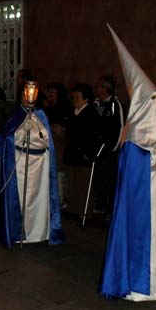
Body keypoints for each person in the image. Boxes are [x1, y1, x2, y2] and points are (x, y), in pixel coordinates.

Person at [99, 26, 156, 301]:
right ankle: (144, 284)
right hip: (147, 199)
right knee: (150, 238)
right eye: (151, 99)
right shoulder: (134, 132)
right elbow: (139, 164)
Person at [0, 90, 64, 248]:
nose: (28, 98)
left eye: (31, 94)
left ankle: (40, 233)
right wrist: (22, 134)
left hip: (40, 166)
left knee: (39, 200)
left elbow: (47, 140)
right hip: (21, 166)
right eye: (25, 95)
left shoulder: (41, 116)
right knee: (24, 200)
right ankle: (21, 233)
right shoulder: (15, 117)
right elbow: (10, 139)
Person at [63, 83, 101, 222]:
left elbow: (93, 136)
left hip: (84, 155)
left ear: (85, 99)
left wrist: (88, 153)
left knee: (84, 186)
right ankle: (72, 209)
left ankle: (84, 213)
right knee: (72, 184)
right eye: (74, 97)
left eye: (77, 98)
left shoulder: (91, 114)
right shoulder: (73, 112)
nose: (74, 100)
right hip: (73, 154)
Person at [93, 75, 125, 215]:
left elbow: (120, 127)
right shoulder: (97, 104)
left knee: (110, 179)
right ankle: (100, 206)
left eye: (99, 86)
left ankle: (110, 209)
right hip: (100, 149)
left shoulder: (115, 105)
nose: (96, 89)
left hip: (110, 150)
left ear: (105, 89)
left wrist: (114, 148)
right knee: (100, 178)